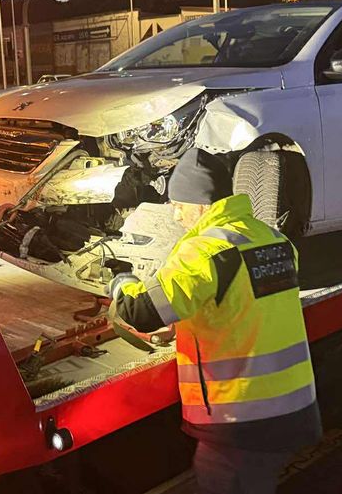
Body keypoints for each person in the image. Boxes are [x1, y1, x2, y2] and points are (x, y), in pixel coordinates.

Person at [109, 148, 321, 494]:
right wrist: (183, 325)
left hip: (241, 420)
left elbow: (140, 313)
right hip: (292, 407)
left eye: (179, 205)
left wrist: (122, 281)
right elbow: (246, 304)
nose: (176, 216)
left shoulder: (205, 250)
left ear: (202, 204)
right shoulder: (274, 239)